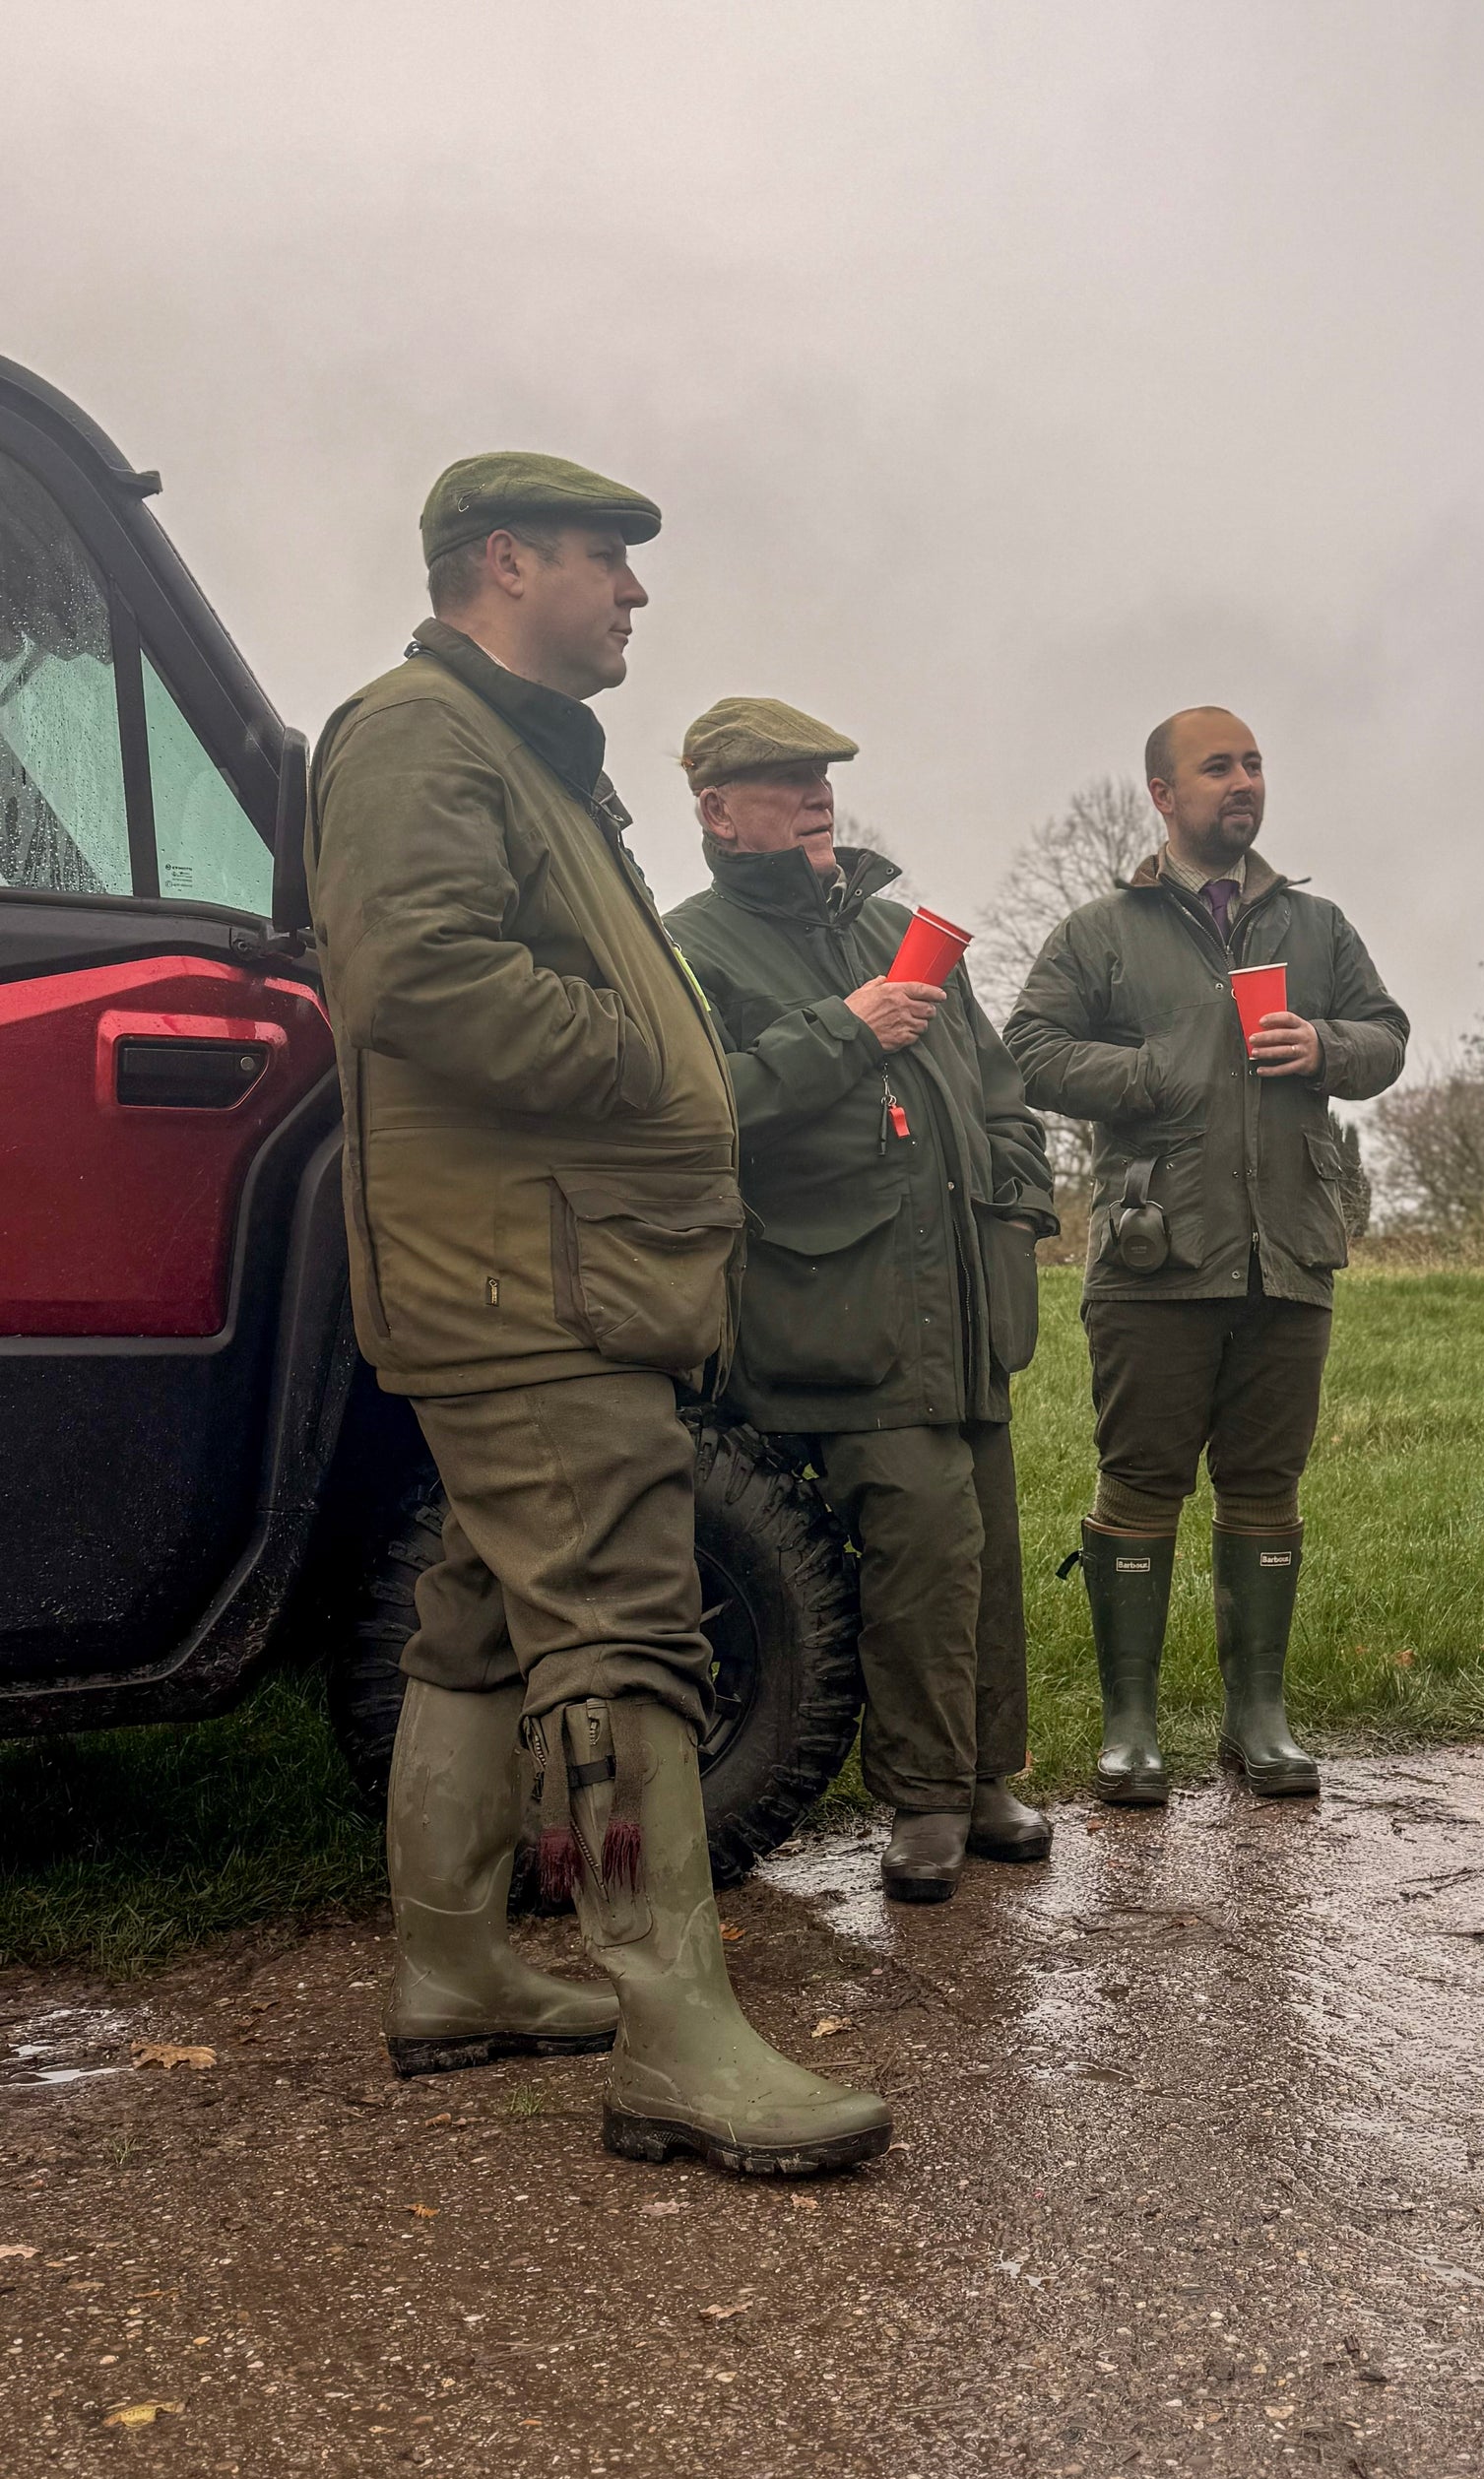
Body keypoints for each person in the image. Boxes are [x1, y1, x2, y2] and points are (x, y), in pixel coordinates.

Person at [304, 459, 888, 2175]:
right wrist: (655, 1070)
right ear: (504, 561)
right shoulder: (423, 732)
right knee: (631, 1621)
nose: (632, 594)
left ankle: (454, 1968)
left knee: (480, 1615)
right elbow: (417, 973)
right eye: (603, 562)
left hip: (538, 1265)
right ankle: (673, 2032)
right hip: (523, 1276)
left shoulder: (529, 755)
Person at [664, 698, 1058, 1904]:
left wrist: (1018, 1198)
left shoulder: (899, 926)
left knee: (975, 1543)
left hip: (963, 1301)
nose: (816, 794)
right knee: (918, 1544)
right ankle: (927, 1800)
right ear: (717, 812)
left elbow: (990, 1080)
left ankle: (986, 1775)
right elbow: (700, 1106)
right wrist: (842, 1030)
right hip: (838, 1302)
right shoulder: (692, 943)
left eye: (823, 774)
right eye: (782, 780)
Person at [1002, 705, 1407, 1806]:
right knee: (1140, 1482)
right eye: (1215, 766)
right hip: (1153, 1255)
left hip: (1289, 1255)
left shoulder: (1315, 928)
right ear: (1163, 795)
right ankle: (1130, 1726)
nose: (1241, 781)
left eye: (1254, 764)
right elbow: (1027, 1048)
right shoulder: (1099, 931)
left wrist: (1323, 1045)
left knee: (1266, 1483)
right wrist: (1154, 1074)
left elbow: (1387, 1034)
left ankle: (1255, 1718)